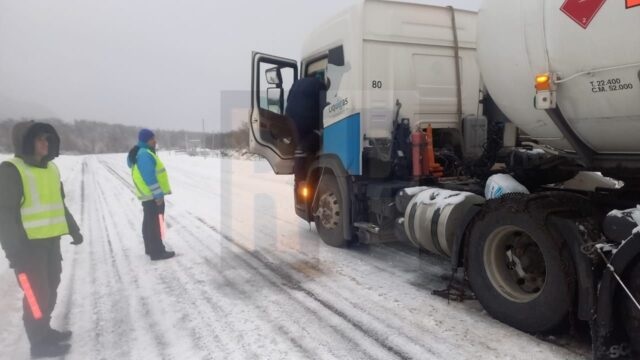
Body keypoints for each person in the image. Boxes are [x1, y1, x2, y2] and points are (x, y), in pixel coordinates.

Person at [0, 121, 83, 358]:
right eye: (40, 139)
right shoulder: (10, 170)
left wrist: (73, 229)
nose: (46, 143)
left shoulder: (51, 169)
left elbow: (59, 204)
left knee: (51, 287)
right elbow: (4, 214)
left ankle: (44, 330)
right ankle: (38, 343)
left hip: (50, 242)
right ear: (26, 141)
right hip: (27, 248)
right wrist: (14, 252)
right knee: (36, 295)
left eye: (47, 139)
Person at [127, 129, 175, 261]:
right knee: (155, 223)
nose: (155, 141)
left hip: (148, 195)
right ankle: (157, 252)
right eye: (152, 139)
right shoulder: (144, 154)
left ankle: (150, 247)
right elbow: (149, 176)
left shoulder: (140, 152)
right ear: (145, 140)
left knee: (149, 222)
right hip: (152, 195)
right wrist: (158, 194)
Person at [284, 75, 327, 179]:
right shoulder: (320, 85)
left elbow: (288, 101)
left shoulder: (295, 85)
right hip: (311, 123)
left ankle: (300, 183)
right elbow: (325, 104)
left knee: (300, 150)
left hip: (292, 123)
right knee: (321, 135)